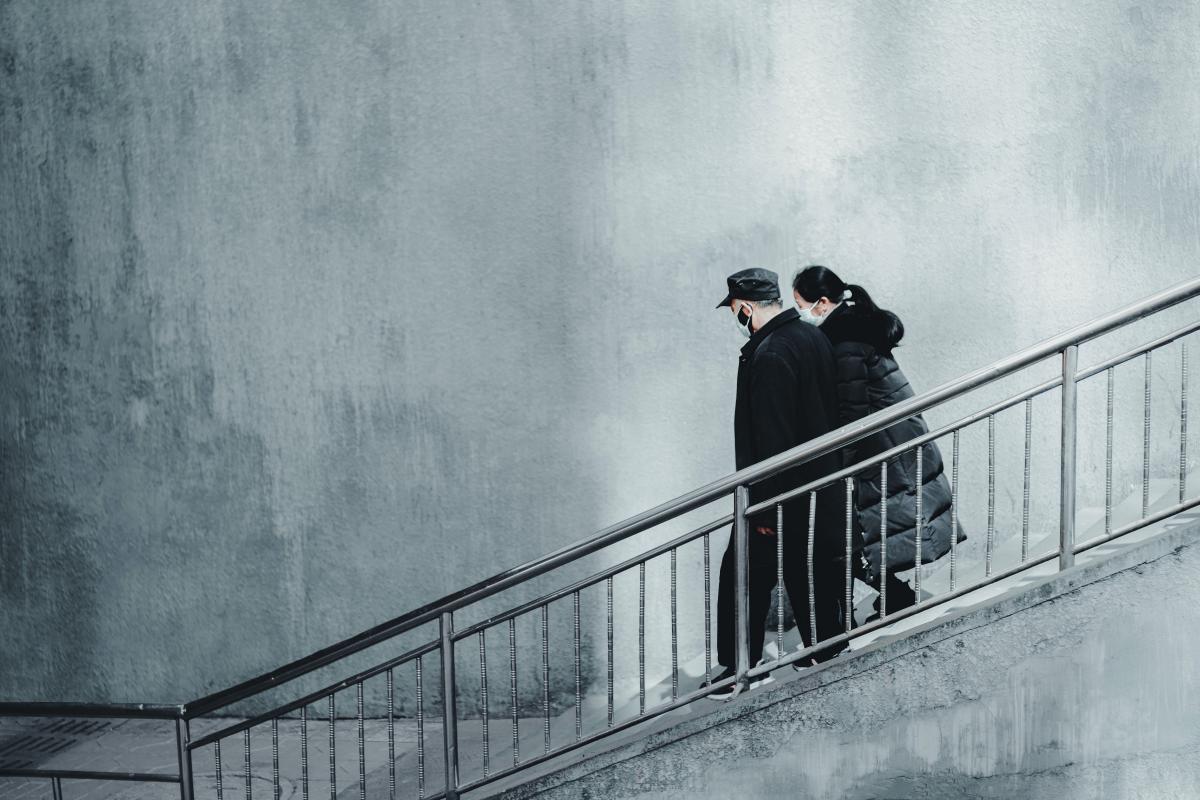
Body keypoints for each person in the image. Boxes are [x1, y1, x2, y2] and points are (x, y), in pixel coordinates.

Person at [706, 268, 854, 698]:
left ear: (746, 308)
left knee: (743, 576)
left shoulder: (770, 353)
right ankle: (827, 649)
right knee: (811, 570)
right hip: (818, 486)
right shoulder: (811, 338)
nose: (737, 316)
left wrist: (765, 507)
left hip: (778, 494)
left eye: (735, 309)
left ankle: (741, 668)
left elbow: (773, 437)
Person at [792, 265, 964, 617]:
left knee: (850, 534)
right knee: (861, 532)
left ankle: (884, 601)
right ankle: (893, 595)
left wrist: (840, 466)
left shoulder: (844, 343)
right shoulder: (854, 327)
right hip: (893, 444)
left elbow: (853, 411)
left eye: (801, 305)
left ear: (822, 303)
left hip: (883, 450)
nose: (800, 314)